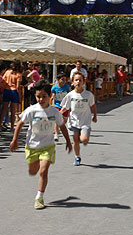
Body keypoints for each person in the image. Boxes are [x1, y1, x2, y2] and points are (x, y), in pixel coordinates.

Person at [9, 79, 72, 210]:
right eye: (38, 96)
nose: (41, 99)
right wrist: (14, 140)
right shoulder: (32, 110)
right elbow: (20, 123)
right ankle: (36, 163)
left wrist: (68, 141)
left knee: (43, 171)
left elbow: (62, 126)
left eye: (44, 96)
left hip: (47, 146)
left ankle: (39, 197)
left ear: (50, 96)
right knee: (33, 171)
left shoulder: (54, 112)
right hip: (32, 146)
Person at [60, 71, 97, 167]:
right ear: (72, 82)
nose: (78, 82)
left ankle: (84, 136)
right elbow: (65, 107)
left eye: (80, 80)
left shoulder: (88, 95)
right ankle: (77, 157)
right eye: (76, 80)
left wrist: (95, 116)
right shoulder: (70, 95)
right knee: (75, 141)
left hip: (85, 121)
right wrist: (59, 114)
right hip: (73, 121)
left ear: (83, 82)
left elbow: (93, 105)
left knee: (84, 139)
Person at [0, 60, 22, 131]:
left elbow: (3, 81)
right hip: (14, 91)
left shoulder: (7, 72)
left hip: (7, 90)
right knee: (13, 110)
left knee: (4, 109)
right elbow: (18, 87)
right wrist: (20, 96)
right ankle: (12, 127)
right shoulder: (18, 74)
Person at [50, 72, 70, 141]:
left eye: (65, 80)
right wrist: (52, 97)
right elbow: (53, 93)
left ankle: (59, 127)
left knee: (65, 120)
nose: (64, 81)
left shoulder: (67, 87)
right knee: (57, 119)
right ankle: (56, 134)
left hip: (65, 105)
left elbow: (69, 94)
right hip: (57, 105)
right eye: (62, 79)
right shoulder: (54, 88)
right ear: (57, 80)